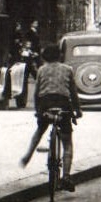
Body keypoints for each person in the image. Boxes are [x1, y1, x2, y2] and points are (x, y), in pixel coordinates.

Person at [19, 41, 82, 192]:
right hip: (63, 104)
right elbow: (73, 92)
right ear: (60, 55)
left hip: (45, 104)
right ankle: (66, 176)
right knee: (67, 142)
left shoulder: (41, 70)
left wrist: (37, 110)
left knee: (39, 131)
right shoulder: (68, 69)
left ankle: (27, 155)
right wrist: (77, 110)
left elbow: (36, 93)